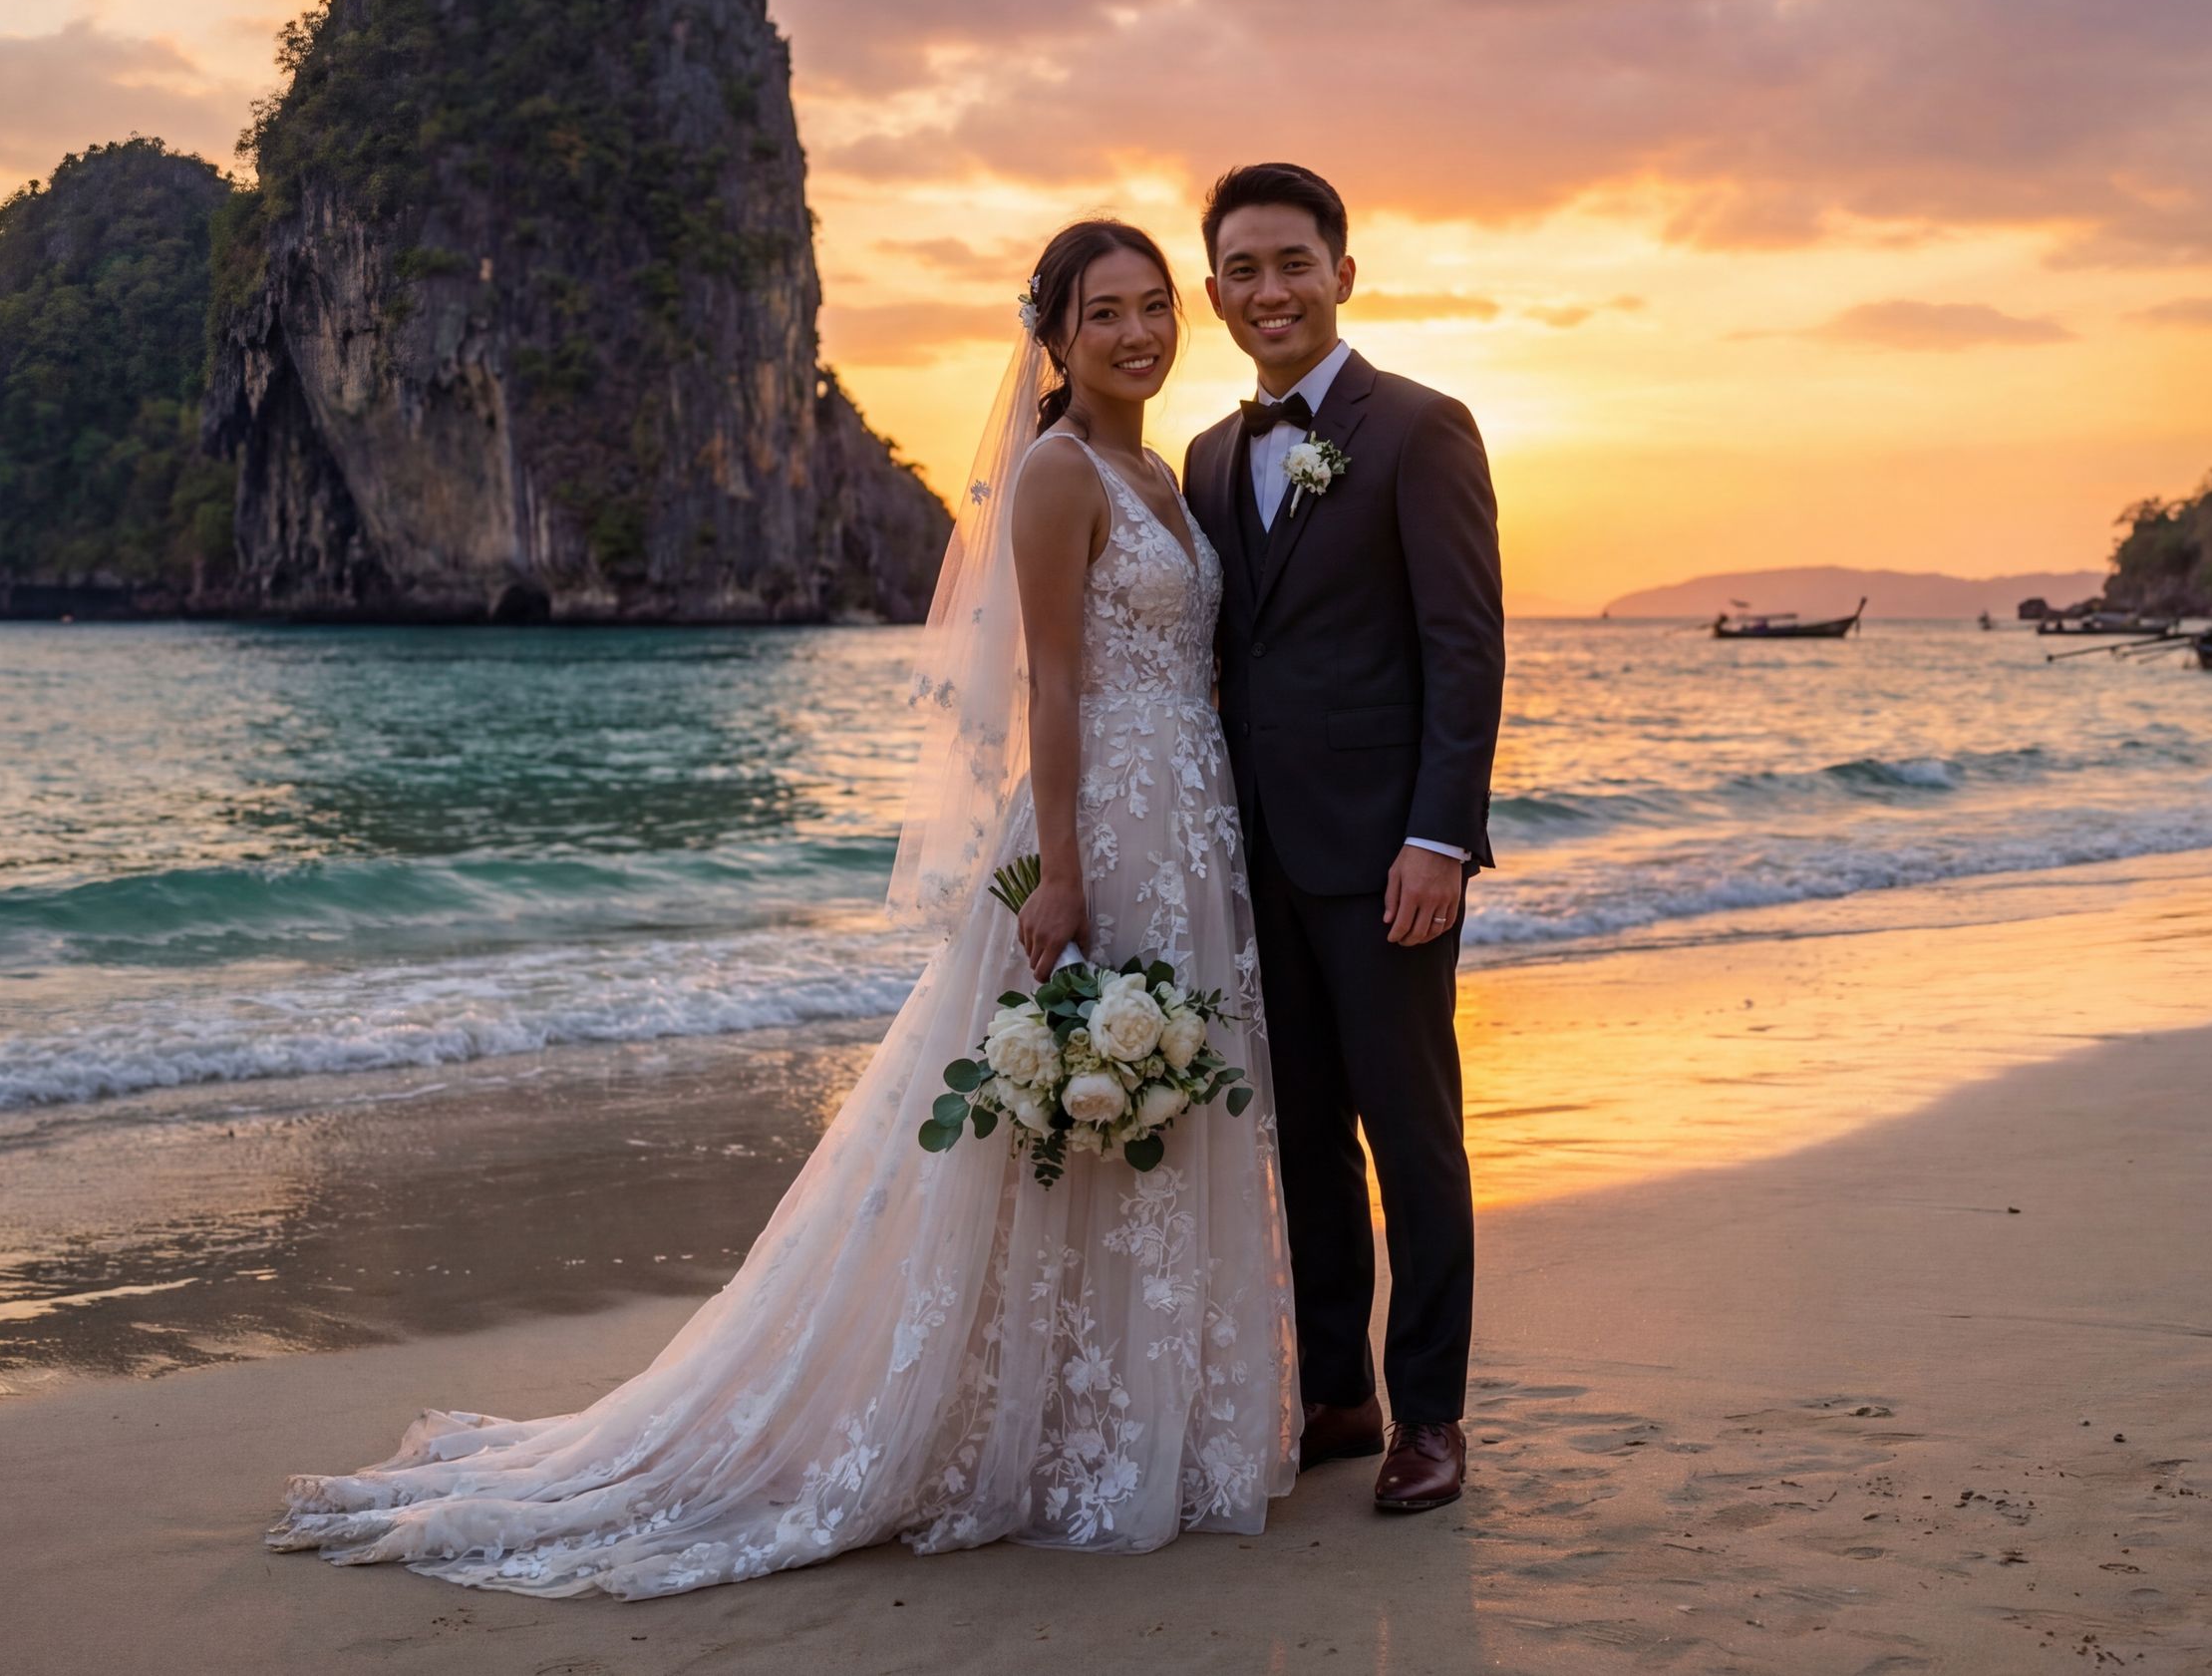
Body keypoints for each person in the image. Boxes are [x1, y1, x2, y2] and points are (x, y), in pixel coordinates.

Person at [267, 220, 1297, 1597]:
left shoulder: (1162, 476)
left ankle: (1103, 1418)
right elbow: (1053, 686)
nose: (1135, 332)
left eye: (1151, 306)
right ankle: (1012, 1430)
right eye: (1101, 311)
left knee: (1142, 1120)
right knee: (1059, 1116)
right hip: (1102, 827)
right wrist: (1060, 869)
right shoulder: (1058, 475)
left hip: (1191, 828)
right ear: (1051, 338)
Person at [1182, 163, 1504, 1512]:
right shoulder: (1204, 455)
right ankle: (1335, 1392)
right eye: (1244, 270)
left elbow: (1463, 645)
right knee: (1302, 1135)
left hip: (1386, 860)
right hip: (1252, 860)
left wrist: (1440, 834)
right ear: (1215, 294)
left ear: (1343, 274)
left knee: (1412, 1133)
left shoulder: (1421, 428)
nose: (1271, 291)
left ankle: (1429, 1411)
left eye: (1293, 263)